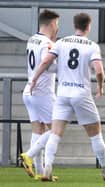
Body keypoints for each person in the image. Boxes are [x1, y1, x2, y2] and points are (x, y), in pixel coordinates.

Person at [29, 12, 105, 182]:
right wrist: (100, 87)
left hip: (63, 93)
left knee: (55, 133)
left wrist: (34, 79)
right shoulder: (92, 46)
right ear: (89, 26)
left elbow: (45, 62)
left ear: (74, 25)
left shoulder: (61, 42)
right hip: (81, 94)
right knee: (95, 134)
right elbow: (99, 70)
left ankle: (47, 169)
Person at [20, 9, 59, 180]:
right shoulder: (46, 43)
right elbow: (47, 65)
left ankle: (40, 171)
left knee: (38, 130)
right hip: (42, 92)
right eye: (57, 23)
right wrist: (65, 67)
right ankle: (28, 155)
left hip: (29, 90)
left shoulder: (32, 39)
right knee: (57, 128)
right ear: (51, 24)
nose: (57, 27)